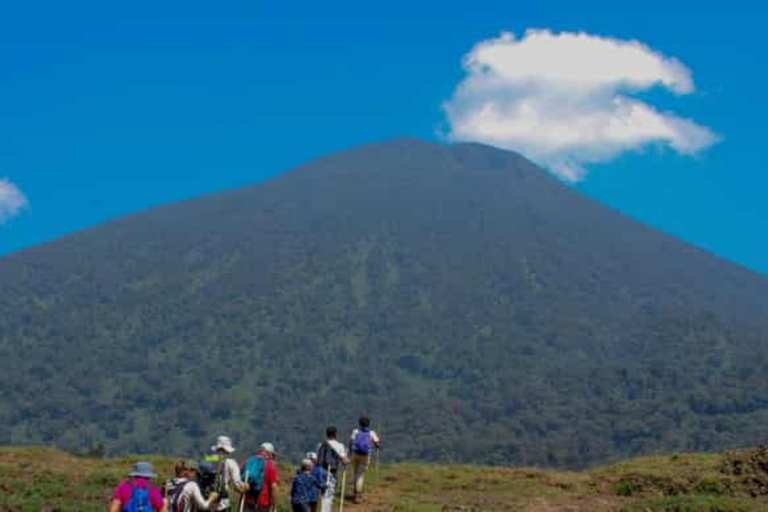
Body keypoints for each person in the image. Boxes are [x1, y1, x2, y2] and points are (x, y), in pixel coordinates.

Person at [203, 435, 248, 511]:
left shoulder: (208, 459)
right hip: (222, 504)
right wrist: (245, 487)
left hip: (207, 502)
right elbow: (238, 485)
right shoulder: (231, 463)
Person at [348, 415, 381, 503]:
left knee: (355, 473)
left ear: (360, 423)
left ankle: (354, 492)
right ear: (368, 424)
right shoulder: (371, 433)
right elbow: (377, 443)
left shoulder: (356, 431)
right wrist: (378, 444)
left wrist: (350, 452)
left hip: (355, 454)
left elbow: (351, 442)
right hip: (365, 455)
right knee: (360, 475)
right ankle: (358, 495)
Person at [316, 426, 349, 512]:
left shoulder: (321, 445)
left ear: (327, 434)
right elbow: (344, 461)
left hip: (319, 473)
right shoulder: (339, 445)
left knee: (323, 495)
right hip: (329, 473)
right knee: (328, 496)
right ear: (335, 434)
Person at [240, 442, 280, 512]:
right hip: (263, 502)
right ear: (270, 454)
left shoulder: (248, 461)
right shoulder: (271, 465)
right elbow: (273, 486)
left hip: (247, 501)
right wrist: (275, 506)